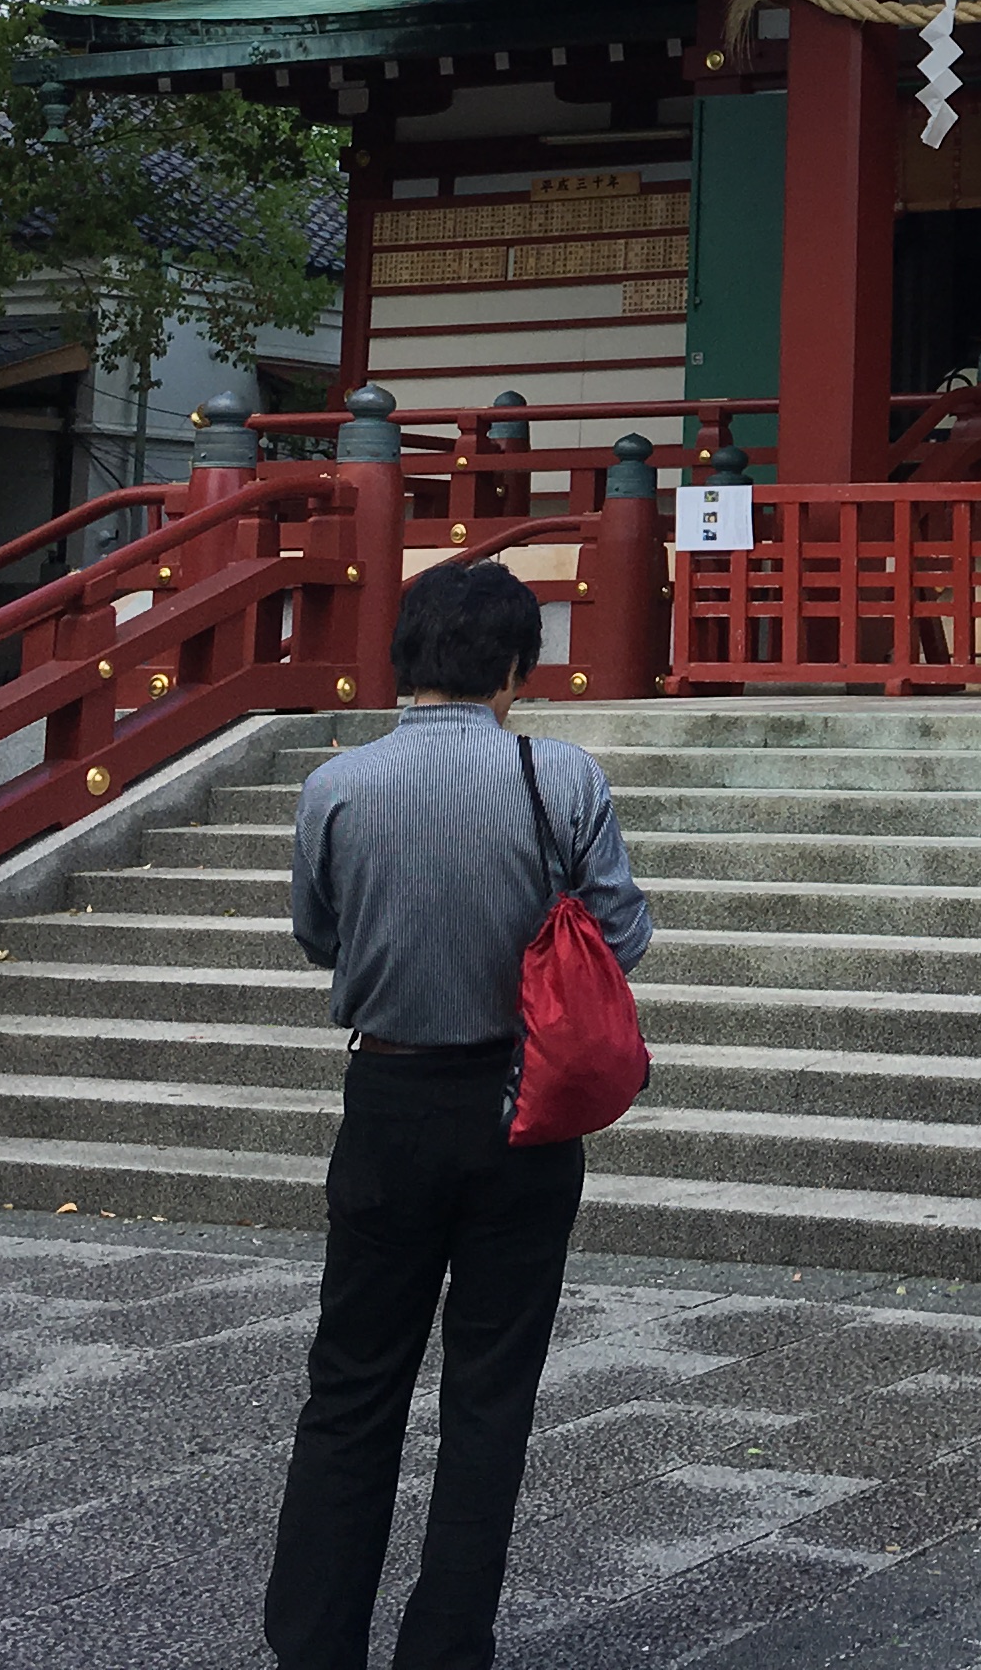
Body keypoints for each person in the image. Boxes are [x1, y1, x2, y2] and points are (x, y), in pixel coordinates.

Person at [262, 559, 651, 1670]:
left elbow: (319, 937)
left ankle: (313, 1643)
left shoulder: (336, 787)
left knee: (350, 1385)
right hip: (523, 1109)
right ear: (517, 669)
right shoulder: (562, 777)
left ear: (404, 659)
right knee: (490, 1395)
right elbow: (622, 939)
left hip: (388, 1098)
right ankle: (446, 1646)